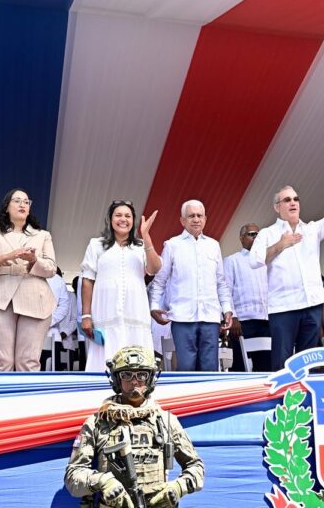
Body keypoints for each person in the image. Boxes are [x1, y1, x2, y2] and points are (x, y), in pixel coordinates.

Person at [250, 155, 324, 371]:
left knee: (309, 362)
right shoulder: (268, 234)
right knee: (281, 362)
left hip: (311, 305)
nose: (293, 203)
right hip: (284, 307)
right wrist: (280, 245)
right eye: (287, 200)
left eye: (295, 199)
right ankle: (283, 403)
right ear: (276, 207)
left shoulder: (311, 230)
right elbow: (254, 261)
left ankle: (306, 402)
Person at [65, 345, 204, 507]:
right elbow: (73, 475)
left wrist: (178, 487)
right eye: (127, 375)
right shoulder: (98, 422)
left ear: (151, 378)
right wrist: (103, 482)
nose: (135, 381)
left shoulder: (166, 421)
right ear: (116, 379)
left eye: (142, 375)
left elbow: (196, 466)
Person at [0, 188, 57, 371]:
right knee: (1, 362)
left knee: (28, 362)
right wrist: (4, 257)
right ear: (6, 207)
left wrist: (34, 260)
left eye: (26, 202)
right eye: (17, 200)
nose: (22, 204)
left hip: (36, 299)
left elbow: (51, 268)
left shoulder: (42, 235)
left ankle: (28, 400)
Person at [149, 200, 232, 372]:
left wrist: (227, 309)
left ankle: (209, 400)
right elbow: (159, 281)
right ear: (182, 220)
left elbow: (221, 282)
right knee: (186, 367)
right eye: (191, 216)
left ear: (205, 219)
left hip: (210, 317)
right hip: (182, 318)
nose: (196, 219)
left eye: (199, 215)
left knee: (210, 368)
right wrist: (154, 307)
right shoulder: (172, 245)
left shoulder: (213, 245)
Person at [81, 201, 162, 372]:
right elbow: (87, 280)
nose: (123, 219)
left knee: (137, 358)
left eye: (128, 216)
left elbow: (154, 269)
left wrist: (146, 235)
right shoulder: (96, 244)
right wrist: (86, 315)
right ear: (110, 219)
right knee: (105, 358)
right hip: (105, 312)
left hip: (136, 312)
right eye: (118, 215)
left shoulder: (140, 246)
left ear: (133, 220)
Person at [224, 223, 270, 372]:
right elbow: (226, 291)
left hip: (266, 321)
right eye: (252, 234)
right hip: (243, 323)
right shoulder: (232, 261)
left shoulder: (267, 261)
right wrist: (234, 318)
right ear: (241, 238)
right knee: (241, 366)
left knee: (266, 366)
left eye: (258, 234)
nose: (256, 237)